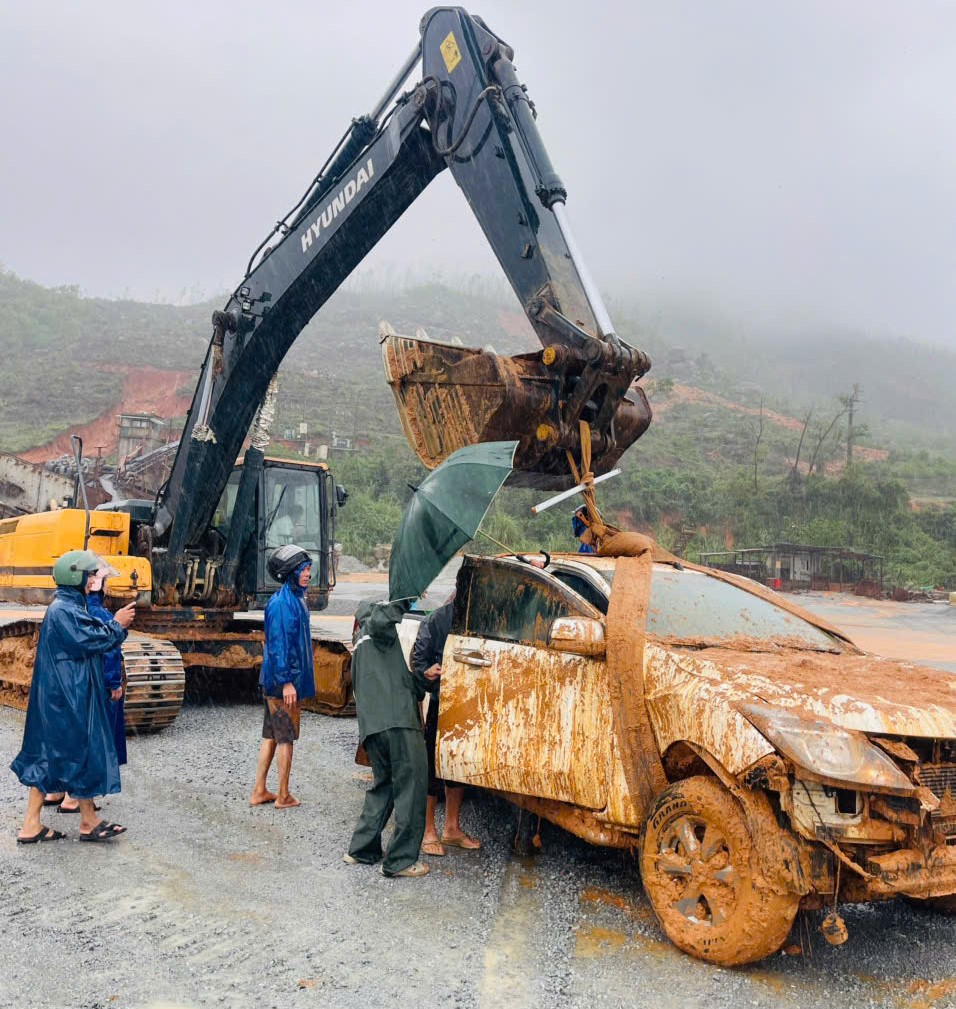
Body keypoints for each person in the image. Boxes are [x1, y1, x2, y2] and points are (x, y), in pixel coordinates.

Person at [11, 549, 136, 844]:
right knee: (71, 753)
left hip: (62, 696)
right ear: (76, 576)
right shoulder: (65, 611)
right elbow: (96, 639)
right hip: (66, 697)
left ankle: (78, 821)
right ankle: (71, 822)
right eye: (91, 574)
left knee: (55, 756)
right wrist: (117, 623)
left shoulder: (68, 606)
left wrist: (114, 627)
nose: (95, 579)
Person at [344, 598, 440, 878]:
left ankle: (361, 849)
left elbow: (405, 684)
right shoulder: (374, 633)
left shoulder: (366, 651)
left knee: (383, 787)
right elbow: (382, 619)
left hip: (374, 730)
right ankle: (400, 861)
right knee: (412, 788)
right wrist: (406, 595)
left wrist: (425, 676)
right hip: (398, 724)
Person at [44, 564, 127, 814]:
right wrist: (114, 683)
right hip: (94, 685)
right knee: (92, 741)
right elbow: (109, 650)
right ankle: (74, 799)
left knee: (64, 739)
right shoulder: (98, 614)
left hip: (69, 685)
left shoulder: (66, 609)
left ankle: (56, 790)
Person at [411, 595, 481, 858]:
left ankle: (451, 828)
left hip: (470, 702)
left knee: (458, 765)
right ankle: (428, 830)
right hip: (443, 702)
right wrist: (427, 671)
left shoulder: (481, 618)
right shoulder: (436, 620)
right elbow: (418, 661)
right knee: (432, 766)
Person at [250, 543, 315, 809]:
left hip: (278, 680)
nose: (308, 574)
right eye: (304, 570)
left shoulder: (294, 599)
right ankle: (283, 795)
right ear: (291, 573)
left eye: (309, 569)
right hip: (282, 683)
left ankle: (259, 791)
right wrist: (287, 682)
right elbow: (278, 646)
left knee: (272, 735)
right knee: (286, 738)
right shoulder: (281, 604)